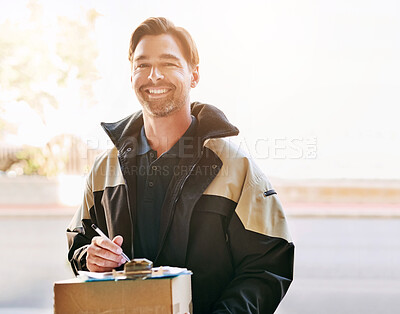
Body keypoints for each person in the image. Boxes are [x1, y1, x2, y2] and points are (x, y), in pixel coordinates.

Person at [67, 17, 294, 313]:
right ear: (131, 75)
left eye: (169, 63)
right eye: (142, 65)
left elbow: (267, 266)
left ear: (194, 75)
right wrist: (89, 257)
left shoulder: (236, 168)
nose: (154, 75)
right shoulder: (104, 169)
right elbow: (79, 242)